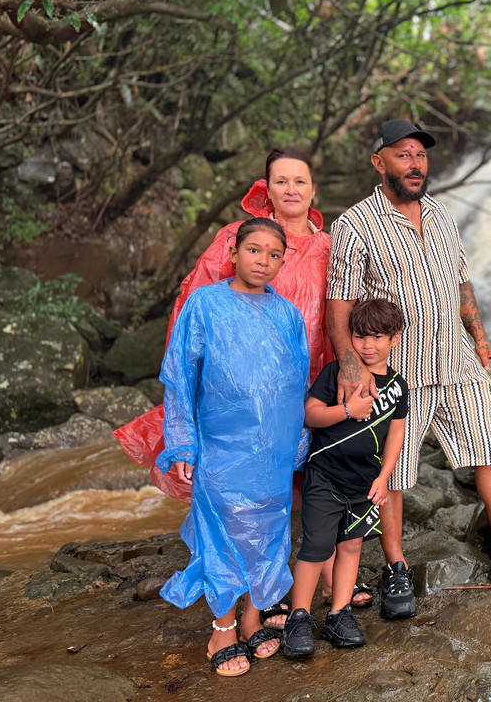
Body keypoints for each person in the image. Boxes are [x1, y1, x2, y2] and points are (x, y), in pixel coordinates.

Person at [114, 148, 368, 607]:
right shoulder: (238, 237)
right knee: (243, 482)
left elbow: (344, 307)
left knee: (310, 477)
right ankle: (247, 596)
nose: (291, 189)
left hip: (310, 376)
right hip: (238, 387)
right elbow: (195, 304)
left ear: (313, 191)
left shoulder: (331, 245)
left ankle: (320, 578)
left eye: (300, 181)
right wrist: (190, 390)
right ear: (265, 189)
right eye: (281, 181)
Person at [325, 119, 491, 621]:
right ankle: (395, 566)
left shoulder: (442, 215)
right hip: (395, 372)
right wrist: (350, 365)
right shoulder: (354, 225)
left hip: (456, 361)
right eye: (403, 155)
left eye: (421, 156)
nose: (415, 164)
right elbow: (338, 305)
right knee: (392, 474)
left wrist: (481, 337)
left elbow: (461, 284)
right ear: (378, 162)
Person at [157, 217, 310, 678]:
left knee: (266, 530)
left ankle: (252, 614)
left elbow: (297, 382)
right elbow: (180, 377)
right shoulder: (206, 303)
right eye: (254, 250)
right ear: (234, 253)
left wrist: (298, 442)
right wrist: (183, 444)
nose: (264, 260)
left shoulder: (288, 314)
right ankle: (221, 626)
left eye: (275, 254)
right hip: (222, 447)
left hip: (275, 451)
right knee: (221, 532)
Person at [281, 299, 408, 656]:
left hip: (365, 482)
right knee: (317, 547)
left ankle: (339, 613)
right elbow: (310, 414)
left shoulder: (398, 387)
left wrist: (384, 478)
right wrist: (347, 410)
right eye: (359, 336)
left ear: (394, 339)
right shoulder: (336, 372)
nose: (367, 345)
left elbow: (396, 434)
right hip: (324, 476)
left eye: (377, 337)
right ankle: (299, 617)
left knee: (351, 546)